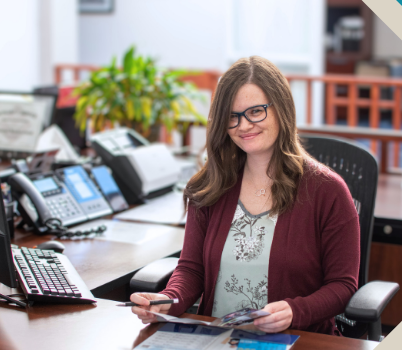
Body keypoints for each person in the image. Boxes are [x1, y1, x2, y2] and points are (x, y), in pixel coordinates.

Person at [129, 56, 361, 335]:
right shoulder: (211, 186)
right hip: (215, 338)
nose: (244, 125)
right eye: (232, 116)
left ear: (281, 109)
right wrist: (169, 300)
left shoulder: (327, 190)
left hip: (296, 340)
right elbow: (192, 270)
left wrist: (295, 311)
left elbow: (343, 286)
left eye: (256, 112)